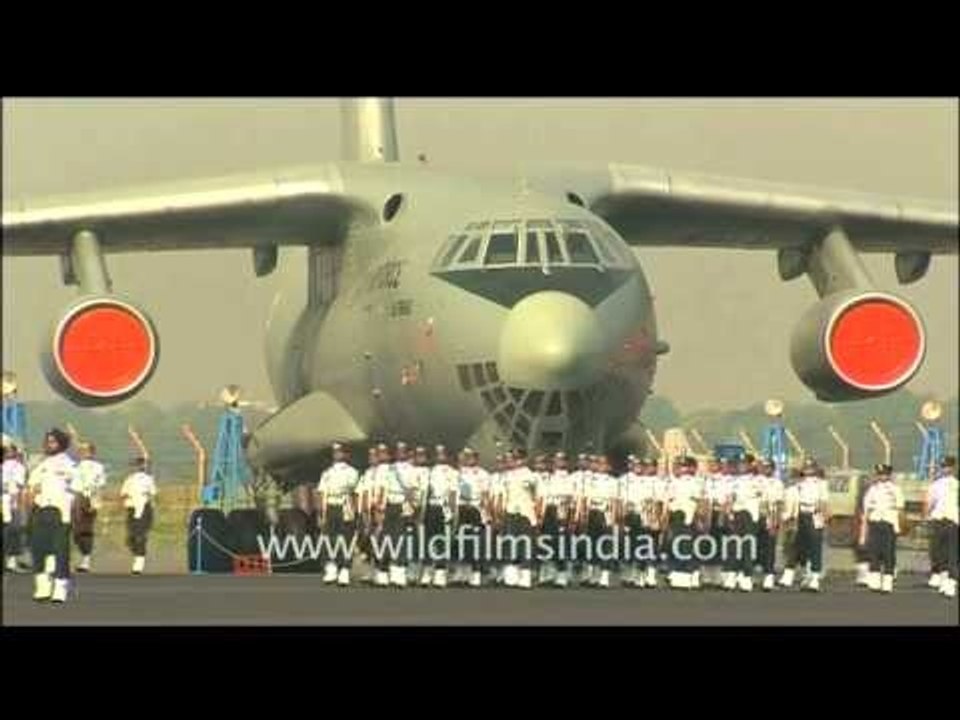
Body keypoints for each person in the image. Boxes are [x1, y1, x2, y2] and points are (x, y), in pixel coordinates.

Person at [27, 429, 79, 602]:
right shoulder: (42, 465)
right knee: (38, 549)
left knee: (60, 550)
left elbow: (78, 489)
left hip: (61, 512)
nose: (48, 445)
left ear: (61, 444)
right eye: (47, 441)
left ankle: (60, 586)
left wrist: (73, 511)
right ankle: (42, 585)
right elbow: (32, 486)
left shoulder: (69, 465)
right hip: (42, 510)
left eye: (53, 442)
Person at [780, 459, 829, 592]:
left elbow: (824, 502)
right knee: (797, 545)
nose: (808, 471)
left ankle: (814, 578)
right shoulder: (798, 484)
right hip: (800, 514)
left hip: (814, 514)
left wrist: (824, 519)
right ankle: (792, 575)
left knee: (815, 547)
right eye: (806, 468)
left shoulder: (821, 484)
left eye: (811, 468)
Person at [317, 442, 359, 586]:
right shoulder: (326, 473)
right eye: (335, 452)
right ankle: (331, 567)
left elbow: (353, 491)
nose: (337, 454)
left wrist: (355, 511)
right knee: (329, 539)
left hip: (344, 506)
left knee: (346, 539)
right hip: (330, 506)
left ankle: (345, 568)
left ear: (346, 454)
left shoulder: (352, 472)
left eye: (340, 452)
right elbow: (322, 493)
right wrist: (321, 513)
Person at [861, 463, 905, 594]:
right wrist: (864, 530)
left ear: (889, 474)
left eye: (884, 474)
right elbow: (866, 509)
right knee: (873, 552)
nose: (882, 476)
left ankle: (887, 581)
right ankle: (874, 579)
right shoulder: (872, 489)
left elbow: (900, 508)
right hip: (875, 523)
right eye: (879, 474)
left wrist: (901, 525)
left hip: (889, 523)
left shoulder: (895, 489)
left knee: (888, 553)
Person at [420, 445, 458, 587]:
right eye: (438, 454)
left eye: (442, 454)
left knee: (442, 542)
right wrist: (423, 512)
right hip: (431, 507)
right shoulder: (429, 472)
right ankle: (427, 571)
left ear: (447, 456)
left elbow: (453, 494)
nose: (440, 456)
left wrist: (453, 513)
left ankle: (440, 572)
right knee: (428, 541)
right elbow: (426, 492)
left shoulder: (453, 473)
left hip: (445, 509)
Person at [455, 448, 490, 587]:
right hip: (461, 509)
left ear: (476, 458)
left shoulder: (483, 474)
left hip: (475, 510)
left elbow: (486, 495)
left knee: (476, 543)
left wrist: (486, 514)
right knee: (460, 542)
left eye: (471, 457)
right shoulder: (458, 473)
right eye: (466, 457)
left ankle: (476, 573)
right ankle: (462, 572)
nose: (468, 459)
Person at [729, 456, 763, 592]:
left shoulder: (758, 481)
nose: (742, 466)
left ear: (750, 465)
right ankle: (733, 573)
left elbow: (763, 500)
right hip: (737, 513)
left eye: (745, 463)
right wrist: (729, 514)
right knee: (734, 545)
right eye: (740, 463)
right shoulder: (734, 481)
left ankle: (747, 575)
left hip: (751, 515)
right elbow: (730, 498)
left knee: (748, 546)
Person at [925, 456, 957, 598]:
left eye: (948, 466)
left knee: (952, 553)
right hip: (938, 520)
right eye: (944, 466)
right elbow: (930, 502)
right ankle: (942, 578)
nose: (946, 469)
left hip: (953, 521)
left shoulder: (957, 484)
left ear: (953, 468)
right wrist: (927, 516)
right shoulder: (936, 485)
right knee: (937, 552)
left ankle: (950, 583)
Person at [72, 441, 107, 573]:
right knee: (75, 530)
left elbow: (99, 486)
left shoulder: (98, 467)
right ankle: (80, 555)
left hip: (88, 497)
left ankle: (85, 560)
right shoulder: (76, 466)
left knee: (85, 529)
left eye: (86, 450)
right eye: (81, 450)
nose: (82, 452)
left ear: (92, 452)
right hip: (76, 497)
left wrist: (95, 502)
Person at [120, 457, 157, 575]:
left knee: (140, 535)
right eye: (136, 465)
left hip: (143, 508)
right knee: (130, 536)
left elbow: (153, 493)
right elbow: (123, 493)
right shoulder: (129, 479)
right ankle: (136, 553)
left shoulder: (148, 479)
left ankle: (139, 563)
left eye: (140, 465)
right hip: (131, 508)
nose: (138, 467)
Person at [756, 459, 784, 592]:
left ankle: (768, 577)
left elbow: (778, 504)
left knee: (769, 548)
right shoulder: (755, 481)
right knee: (753, 546)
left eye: (768, 467)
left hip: (769, 516)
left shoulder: (777, 483)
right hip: (755, 516)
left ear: (773, 469)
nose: (765, 469)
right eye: (763, 467)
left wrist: (776, 521)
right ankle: (748, 575)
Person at [2, 440, 27, 572]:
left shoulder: (16, 467)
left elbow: (16, 485)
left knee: (11, 531)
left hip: (9, 500)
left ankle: (11, 560)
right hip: (9, 501)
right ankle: (11, 561)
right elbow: (17, 486)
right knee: (13, 531)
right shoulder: (17, 467)